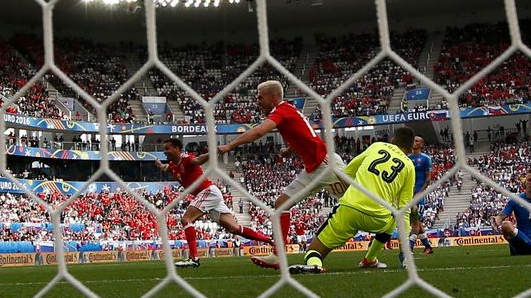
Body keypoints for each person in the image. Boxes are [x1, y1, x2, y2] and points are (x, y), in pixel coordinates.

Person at [217, 80, 348, 270]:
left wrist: (230, 145)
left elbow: (259, 132)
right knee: (280, 205)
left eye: (260, 97)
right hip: (312, 169)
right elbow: (304, 135)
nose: (257, 101)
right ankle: (278, 256)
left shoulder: (282, 110)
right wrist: (290, 150)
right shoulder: (288, 111)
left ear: (273, 96)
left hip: (327, 165)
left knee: (359, 202)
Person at [289, 127, 416, 274]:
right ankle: (370, 258)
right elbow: (404, 210)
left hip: (350, 209)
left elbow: (348, 171)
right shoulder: (409, 167)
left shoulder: (377, 146)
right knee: (393, 219)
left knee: (313, 252)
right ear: (411, 148)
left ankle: (315, 264)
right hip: (379, 217)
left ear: (393, 140)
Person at [156, 138, 273, 268]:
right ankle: (270, 240)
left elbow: (198, 160)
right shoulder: (173, 165)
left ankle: (194, 258)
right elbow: (165, 167)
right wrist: (159, 164)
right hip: (210, 195)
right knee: (234, 228)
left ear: (177, 149)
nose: (165, 152)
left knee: (186, 220)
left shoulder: (187, 159)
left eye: (167, 148)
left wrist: (215, 152)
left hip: (207, 191)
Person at [398, 136, 434, 266]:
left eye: (417, 141)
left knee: (414, 222)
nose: (414, 142)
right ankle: (428, 246)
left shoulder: (426, 159)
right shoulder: (406, 158)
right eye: (413, 140)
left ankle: (409, 249)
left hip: (418, 194)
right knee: (416, 221)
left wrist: (421, 192)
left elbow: (428, 178)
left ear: (422, 144)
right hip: (407, 194)